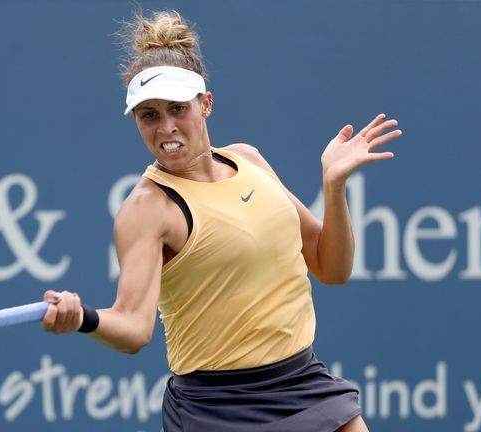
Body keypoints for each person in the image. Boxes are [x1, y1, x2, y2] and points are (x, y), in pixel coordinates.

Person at [41, 9, 401, 432]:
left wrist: (333, 186)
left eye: (177, 109)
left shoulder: (248, 159)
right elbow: (134, 329)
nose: (165, 127)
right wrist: (83, 317)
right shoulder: (147, 209)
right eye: (149, 115)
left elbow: (331, 267)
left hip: (304, 383)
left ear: (206, 104)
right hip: (216, 410)